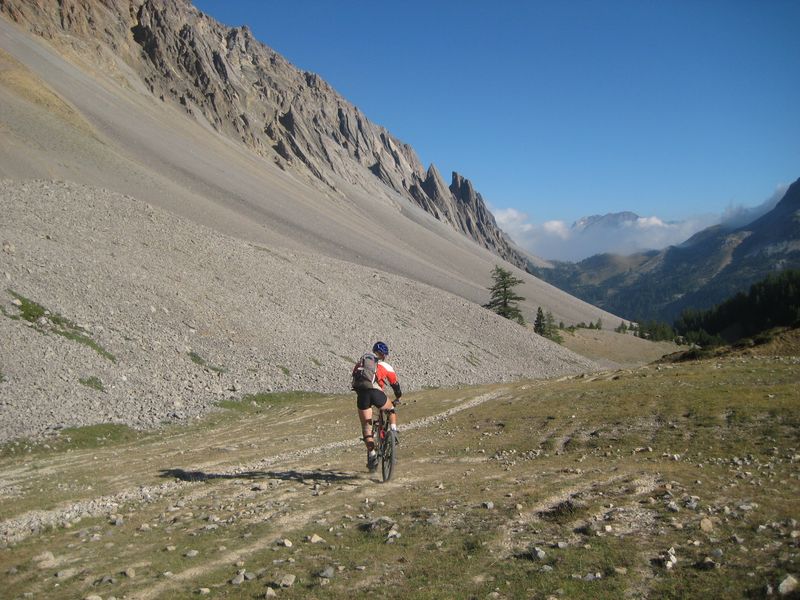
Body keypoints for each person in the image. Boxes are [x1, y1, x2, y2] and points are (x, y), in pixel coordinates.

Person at [352, 341, 402, 471]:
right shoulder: (385, 365)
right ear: (384, 355)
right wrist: (398, 397)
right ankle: (393, 432)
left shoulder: (361, 364)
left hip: (362, 396)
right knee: (390, 409)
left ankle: (373, 455)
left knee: (367, 429)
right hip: (376, 393)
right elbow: (394, 384)